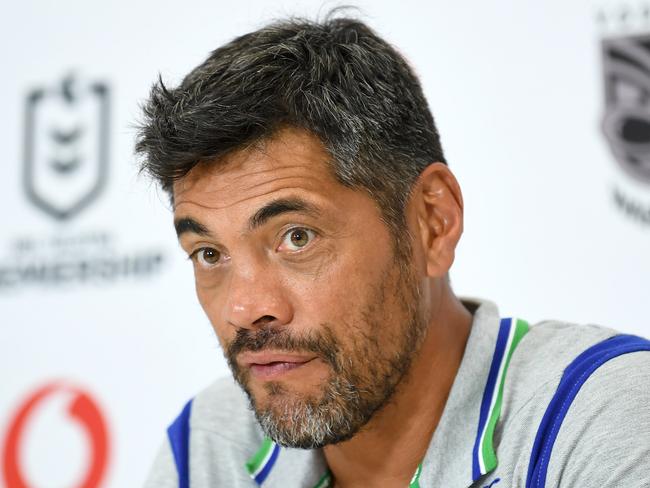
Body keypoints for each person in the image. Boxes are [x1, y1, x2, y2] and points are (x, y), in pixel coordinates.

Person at [136, 14, 650, 488]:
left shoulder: (600, 413)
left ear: (432, 223)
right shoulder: (208, 447)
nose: (244, 309)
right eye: (209, 253)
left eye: (297, 237)